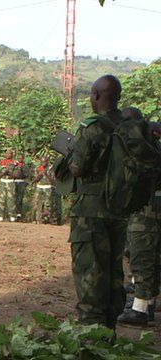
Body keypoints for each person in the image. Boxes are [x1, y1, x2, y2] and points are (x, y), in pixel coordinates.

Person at [67, 75, 127, 329]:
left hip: (91, 212)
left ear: (96, 95)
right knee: (114, 274)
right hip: (119, 209)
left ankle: (91, 341)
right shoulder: (128, 126)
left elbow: (77, 168)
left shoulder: (92, 128)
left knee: (90, 274)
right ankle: (109, 335)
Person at [116, 106, 159, 326]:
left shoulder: (141, 148)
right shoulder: (152, 146)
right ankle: (147, 303)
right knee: (151, 257)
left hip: (146, 210)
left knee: (142, 256)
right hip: (151, 207)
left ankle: (140, 309)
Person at [33, 157, 59, 224]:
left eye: (44, 162)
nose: (43, 163)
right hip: (39, 187)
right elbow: (35, 180)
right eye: (41, 162)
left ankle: (46, 219)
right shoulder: (38, 168)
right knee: (38, 203)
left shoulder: (51, 168)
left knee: (48, 204)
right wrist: (40, 175)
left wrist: (46, 175)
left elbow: (53, 181)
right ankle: (38, 219)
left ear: (47, 162)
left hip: (48, 187)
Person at [0, 149, 17, 222]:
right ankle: (0, 215)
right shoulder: (2, 162)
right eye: (6, 153)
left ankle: (12, 216)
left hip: (10, 182)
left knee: (11, 199)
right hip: (3, 182)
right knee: (1, 199)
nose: (7, 155)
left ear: (12, 155)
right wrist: (3, 173)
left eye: (9, 153)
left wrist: (8, 173)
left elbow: (16, 175)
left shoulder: (14, 163)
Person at [13, 154, 29, 221]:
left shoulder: (25, 166)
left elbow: (26, 175)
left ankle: (19, 213)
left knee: (20, 198)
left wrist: (21, 169)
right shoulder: (14, 165)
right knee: (13, 198)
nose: (20, 159)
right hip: (14, 181)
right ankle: (13, 213)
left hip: (21, 182)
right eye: (19, 158)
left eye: (21, 158)